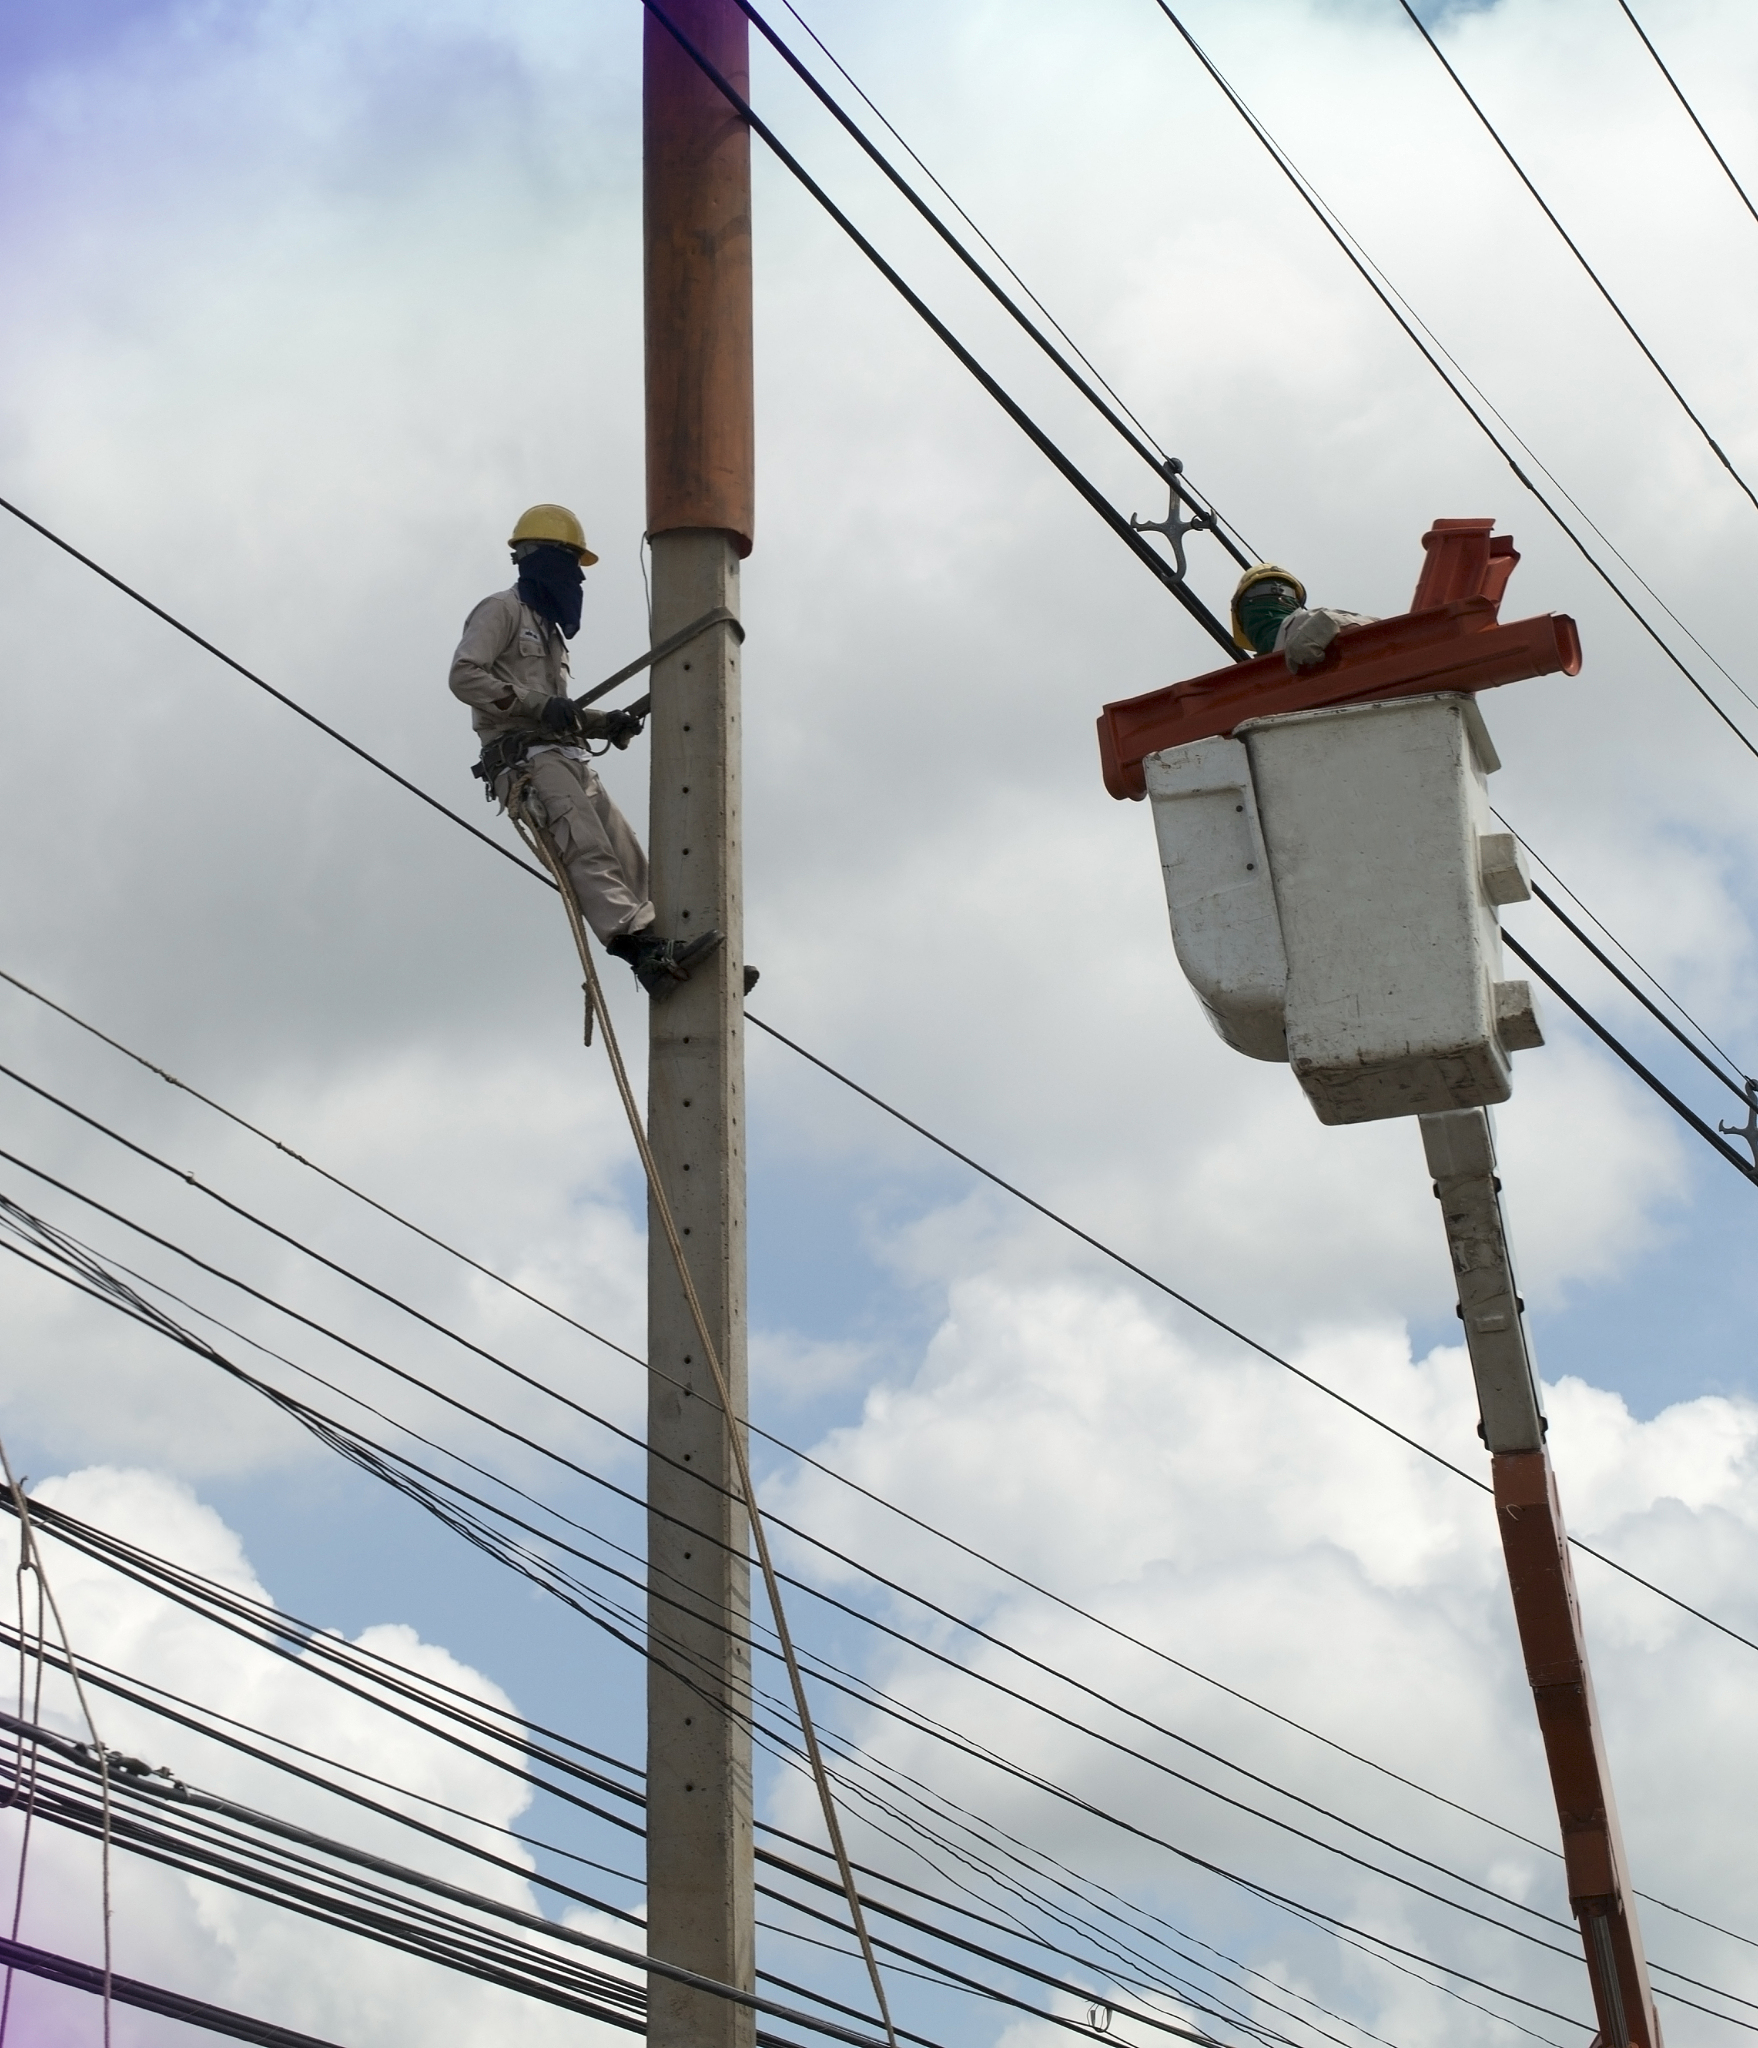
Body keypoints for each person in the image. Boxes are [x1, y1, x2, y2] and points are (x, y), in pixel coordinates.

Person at [448, 504, 723, 1001]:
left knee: (629, 853)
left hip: (565, 756)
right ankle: (642, 955)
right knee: (587, 849)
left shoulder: (547, 630)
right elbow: (465, 675)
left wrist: (603, 722)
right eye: (570, 562)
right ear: (540, 558)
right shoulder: (501, 610)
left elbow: (557, 708)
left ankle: (669, 948)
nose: (575, 577)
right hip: (526, 762)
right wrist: (540, 705)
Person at [1230, 564, 1378, 671]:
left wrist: (1325, 625)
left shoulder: (1306, 622)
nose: (1275, 593)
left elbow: (1380, 628)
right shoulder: (1259, 672)